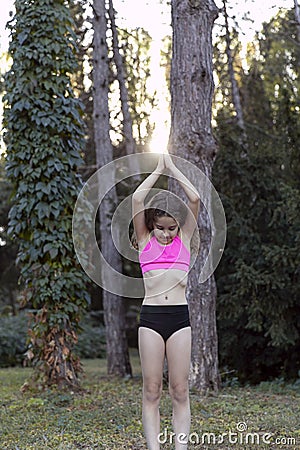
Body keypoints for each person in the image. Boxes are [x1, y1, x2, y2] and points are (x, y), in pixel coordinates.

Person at [132, 153, 200, 450]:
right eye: (161, 227)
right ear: (152, 224)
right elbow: (136, 199)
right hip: (151, 320)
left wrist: (173, 168)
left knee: (180, 390)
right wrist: (158, 170)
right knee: (151, 390)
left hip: (179, 320)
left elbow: (195, 199)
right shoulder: (145, 241)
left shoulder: (183, 240)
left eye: (171, 227)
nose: (166, 233)